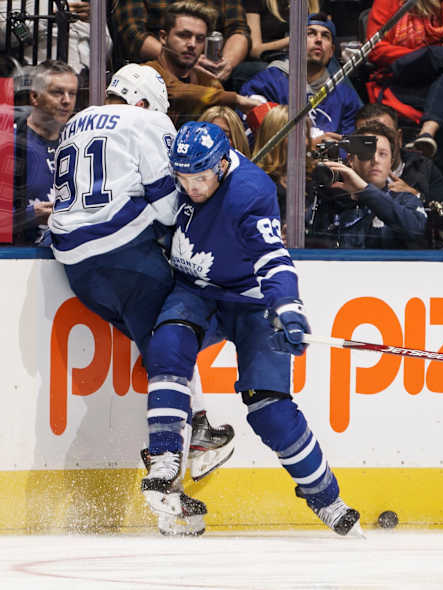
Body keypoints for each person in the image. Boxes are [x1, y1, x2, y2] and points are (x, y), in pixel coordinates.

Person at [139, 120, 363, 537]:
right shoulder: (181, 175)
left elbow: (273, 259)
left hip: (251, 301)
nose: (192, 189)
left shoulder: (250, 192)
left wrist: (288, 308)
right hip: (196, 291)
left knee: (271, 411)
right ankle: (166, 457)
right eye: (183, 179)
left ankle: (327, 499)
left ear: (223, 165)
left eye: (201, 179)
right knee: (167, 344)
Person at [49, 64, 234, 535]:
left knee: (161, 346)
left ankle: (198, 431)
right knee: (177, 333)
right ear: (146, 102)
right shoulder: (148, 121)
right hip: (126, 255)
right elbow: (167, 204)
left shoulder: (75, 123)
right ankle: (171, 475)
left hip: (78, 267)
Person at [366, 0, 443, 161]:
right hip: (407, 79)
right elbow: (375, 49)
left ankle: (427, 133)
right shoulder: (387, 2)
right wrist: (426, 55)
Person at [239, 12, 363, 144]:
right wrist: (310, 145)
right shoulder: (266, 83)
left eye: (325, 36)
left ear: (331, 51)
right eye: (311, 33)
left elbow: (349, 147)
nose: (319, 39)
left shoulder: (345, 96)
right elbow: (255, 138)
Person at [141, 1, 260, 127]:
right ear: (164, 37)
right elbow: (171, 91)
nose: (192, 44)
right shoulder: (144, 73)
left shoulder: (208, 82)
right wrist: (236, 98)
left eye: (200, 38)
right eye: (184, 35)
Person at [309, 122, 428, 248]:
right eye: (367, 152)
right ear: (351, 160)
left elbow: (416, 230)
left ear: (391, 162)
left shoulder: (405, 200)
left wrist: (365, 190)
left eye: (382, 154)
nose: (375, 160)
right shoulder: (332, 201)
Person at [13, 60, 78, 245]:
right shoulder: (10, 141)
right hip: (17, 261)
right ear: (35, 96)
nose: (66, 101)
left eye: (72, 93)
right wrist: (29, 216)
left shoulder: (79, 141)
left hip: (67, 258)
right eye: (57, 92)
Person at [111, 0, 250, 82]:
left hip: (212, 64)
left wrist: (226, 64)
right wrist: (180, 57)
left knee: (253, 72)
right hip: (156, 64)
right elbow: (132, 33)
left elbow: (239, 29)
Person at [354, 103, 443, 212]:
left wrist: (417, 197)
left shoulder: (422, 167)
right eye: (367, 140)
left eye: (385, 135)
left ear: (399, 138)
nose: (377, 144)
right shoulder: (348, 173)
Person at [252, 104, 314, 223]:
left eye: (305, 134)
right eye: (295, 135)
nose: (304, 142)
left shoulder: (313, 178)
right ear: (273, 137)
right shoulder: (255, 183)